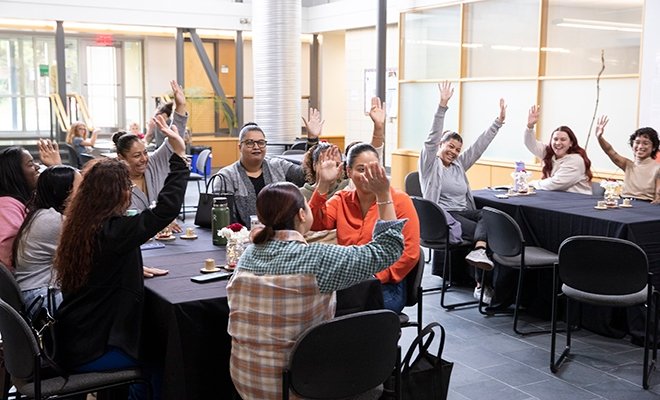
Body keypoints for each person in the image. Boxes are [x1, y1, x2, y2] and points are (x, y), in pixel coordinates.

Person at [227, 179, 405, 400]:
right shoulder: (318, 259)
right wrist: (383, 195)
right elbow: (388, 249)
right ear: (302, 214)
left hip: (246, 382)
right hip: (299, 387)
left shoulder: (248, 255)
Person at [53, 116, 187, 399]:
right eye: (126, 187)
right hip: (93, 348)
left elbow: (100, 271)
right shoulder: (112, 231)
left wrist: (130, 269)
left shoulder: (82, 225)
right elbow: (164, 210)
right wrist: (179, 157)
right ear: (112, 194)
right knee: (167, 356)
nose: (130, 191)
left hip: (73, 336)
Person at [418, 81, 505, 303]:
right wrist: (442, 107)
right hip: (445, 216)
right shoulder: (430, 165)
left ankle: (478, 253)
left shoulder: (458, 165)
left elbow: (478, 147)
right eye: (450, 147)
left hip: (463, 212)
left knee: (489, 215)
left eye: (457, 149)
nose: (454, 152)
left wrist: (498, 123)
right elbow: (431, 138)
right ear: (440, 145)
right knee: (486, 234)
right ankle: (481, 285)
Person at [309, 143, 420, 313]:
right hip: (348, 280)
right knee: (317, 304)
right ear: (348, 172)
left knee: (341, 310)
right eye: (361, 169)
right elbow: (315, 224)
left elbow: (410, 253)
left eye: (373, 169)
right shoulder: (342, 199)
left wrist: (372, 276)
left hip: (385, 285)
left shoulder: (400, 200)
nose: (368, 175)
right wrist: (323, 184)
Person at [213, 113, 321, 226]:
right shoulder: (226, 176)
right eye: (250, 143)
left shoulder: (278, 165)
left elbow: (306, 176)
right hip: (242, 238)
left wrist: (312, 140)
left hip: (280, 234)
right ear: (240, 147)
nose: (256, 147)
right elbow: (225, 219)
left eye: (261, 142)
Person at [13, 165, 81, 315]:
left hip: (35, 293)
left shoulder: (41, 214)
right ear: (65, 192)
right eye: (81, 188)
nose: (85, 195)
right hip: (41, 299)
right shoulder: (52, 221)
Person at [114, 80, 188, 214]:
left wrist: (181, 106)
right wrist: (159, 223)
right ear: (121, 158)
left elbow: (173, 140)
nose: (144, 159)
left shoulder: (152, 164)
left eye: (145, 153)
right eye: (137, 155)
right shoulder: (115, 183)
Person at [300, 97, 386, 201]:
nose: (331, 168)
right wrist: (312, 138)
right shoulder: (301, 194)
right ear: (314, 165)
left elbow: (373, 158)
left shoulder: (347, 187)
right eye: (326, 163)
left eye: (337, 164)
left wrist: (378, 127)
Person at [0, 140, 61, 271]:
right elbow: (7, 257)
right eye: (31, 164)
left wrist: (56, 168)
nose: (38, 167)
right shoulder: (7, 206)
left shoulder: (26, 199)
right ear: (15, 173)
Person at [524, 105, 593, 194]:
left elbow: (556, 183)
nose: (558, 143)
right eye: (555, 139)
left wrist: (532, 184)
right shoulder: (549, 153)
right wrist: (530, 126)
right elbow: (530, 144)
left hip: (576, 202)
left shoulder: (576, 160)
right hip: (554, 199)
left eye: (563, 140)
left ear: (571, 143)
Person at [595, 116, 660, 203]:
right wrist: (600, 138)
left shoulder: (657, 168)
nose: (640, 147)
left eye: (645, 143)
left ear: (654, 147)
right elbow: (610, 151)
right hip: (624, 203)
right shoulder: (628, 164)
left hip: (645, 205)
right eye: (637, 142)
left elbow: (657, 196)